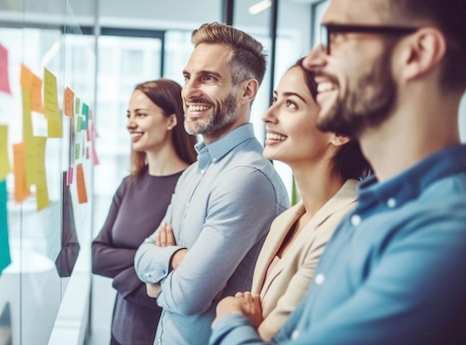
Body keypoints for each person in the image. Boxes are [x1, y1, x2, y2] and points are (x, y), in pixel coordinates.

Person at [210, 0, 466, 344]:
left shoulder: (452, 233)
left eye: (337, 37)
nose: (317, 61)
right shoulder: (373, 209)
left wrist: (228, 321)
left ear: (418, 53)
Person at [134, 22, 290, 345]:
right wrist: (177, 259)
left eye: (208, 78)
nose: (189, 91)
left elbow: (188, 298)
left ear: (247, 91)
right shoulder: (195, 172)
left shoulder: (247, 178)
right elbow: (141, 257)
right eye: (188, 76)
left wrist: (156, 282)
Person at [212, 58, 370, 341]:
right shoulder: (285, 221)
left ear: (340, 131)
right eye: (275, 99)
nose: (267, 115)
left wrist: (228, 313)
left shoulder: (347, 227)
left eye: (291, 104)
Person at [92, 79, 198, 345]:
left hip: (160, 334)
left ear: (172, 120)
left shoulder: (192, 187)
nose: (130, 123)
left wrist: (132, 273)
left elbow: (187, 274)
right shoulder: (129, 185)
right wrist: (154, 262)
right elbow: (96, 256)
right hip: (119, 331)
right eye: (129, 115)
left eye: (141, 114)